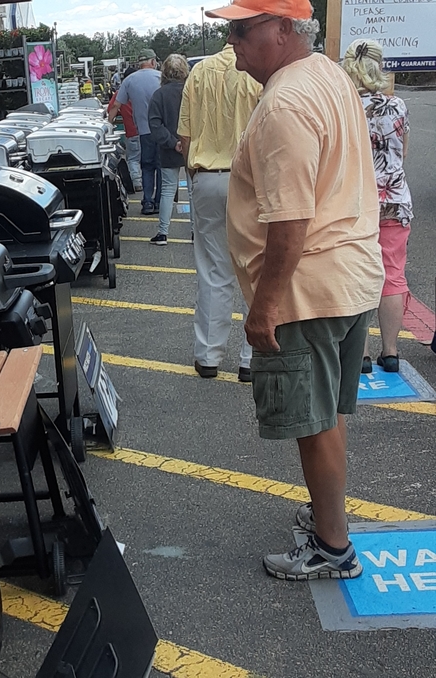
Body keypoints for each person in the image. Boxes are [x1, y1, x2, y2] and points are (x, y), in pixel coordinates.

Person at [206, 0, 384, 580]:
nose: (231, 43)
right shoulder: (328, 74)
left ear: (284, 29)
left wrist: (265, 307)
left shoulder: (285, 100)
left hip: (309, 290)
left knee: (313, 421)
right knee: (327, 413)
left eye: (241, 29)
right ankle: (328, 521)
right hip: (349, 276)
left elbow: (289, 221)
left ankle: (333, 547)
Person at [177, 44, 261, 381]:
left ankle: (208, 355)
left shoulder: (199, 72)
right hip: (248, 178)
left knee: (213, 269)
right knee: (253, 267)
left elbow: (184, 138)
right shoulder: (257, 73)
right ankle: (251, 358)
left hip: (208, 177)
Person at [341, 39, 413, 374]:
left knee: (359, 275)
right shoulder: (397, 106)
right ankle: (392, 351)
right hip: (395, 200)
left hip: (357, 202)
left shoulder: (345, 105)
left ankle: (362, 354)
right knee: (393, 276)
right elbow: (402, 154)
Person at [108, 49, 162, 215]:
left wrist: (108, 128)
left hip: (142, 131)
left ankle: (147, 201)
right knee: (161, 168)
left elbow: (116, 106)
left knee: (146, 166)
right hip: (162, 130)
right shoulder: (161, 78)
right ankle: (160, 202)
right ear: (153, 62)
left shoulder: (129, 80)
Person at [147, 54, 188, 245]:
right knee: (194, 193)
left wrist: (172, 142)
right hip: (192, 147)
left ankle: (163, 233)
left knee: (167, 191)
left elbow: (155, 125)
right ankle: (196, 232)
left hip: (169, 149)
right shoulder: (192, 91)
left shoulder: (159, 95)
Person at [107, 66, 141, 192]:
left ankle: (137, 182)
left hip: (131, 131)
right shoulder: (142, 90)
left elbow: (111, 110)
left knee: (133, 158)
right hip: (146, 130)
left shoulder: (121, 92)